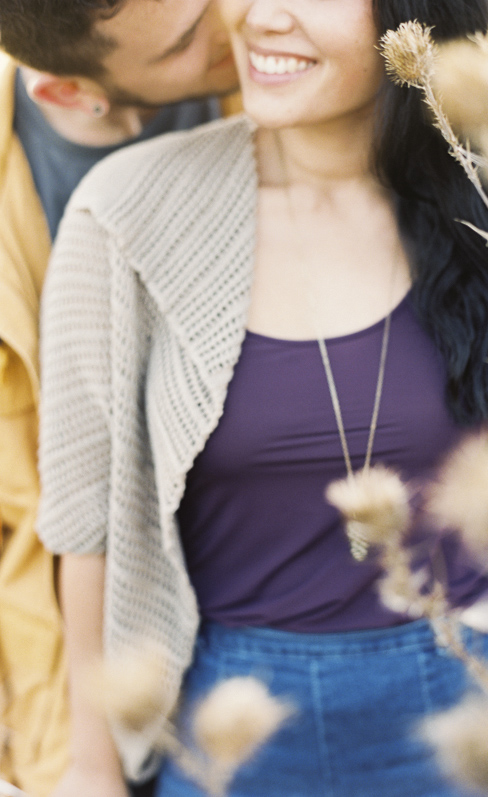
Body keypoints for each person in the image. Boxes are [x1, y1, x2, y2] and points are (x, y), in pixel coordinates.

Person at [37, 0, 488, 795]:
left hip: (470, 711)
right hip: (227, 728)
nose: (263, 15)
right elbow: (84, 521)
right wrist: (90, 768)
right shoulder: (123, 217)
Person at [0, 1, 240, 794]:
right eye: (185, 43)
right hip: (92, 665)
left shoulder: (277, 70)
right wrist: (64, 759)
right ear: (71, 93)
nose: (231, 27)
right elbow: (30, 517)